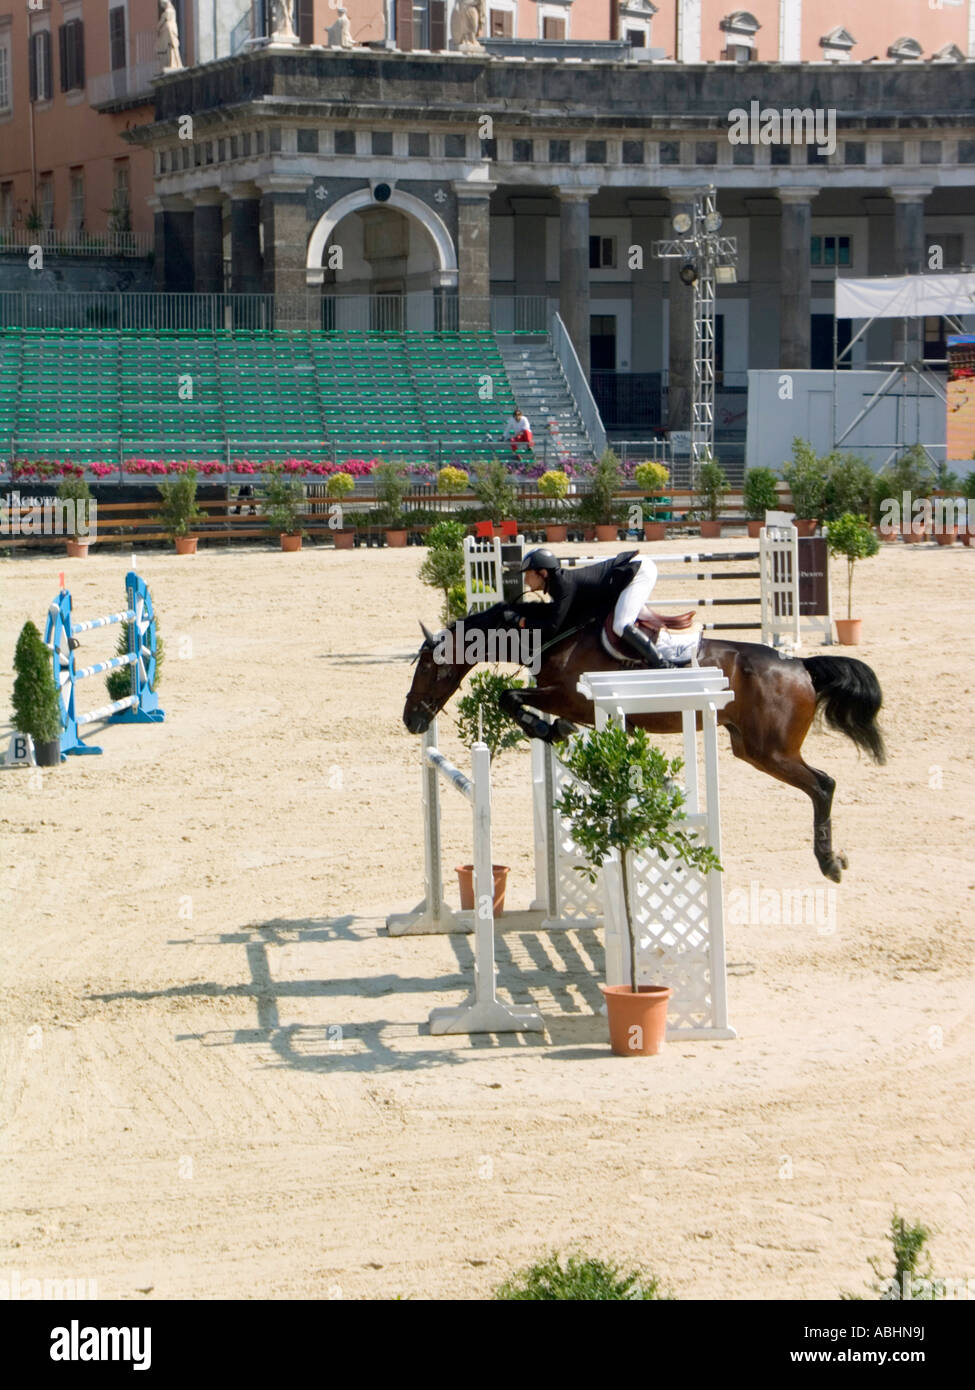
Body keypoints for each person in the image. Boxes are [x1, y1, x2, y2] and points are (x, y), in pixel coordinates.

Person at [505, 547, 675, 668]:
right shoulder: (558, 587)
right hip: (624, 575)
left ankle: (663, 665)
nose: (526, 580)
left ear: (542, 573)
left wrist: (521, 621)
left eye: (528, 574)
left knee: (621, 625)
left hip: (638, 571)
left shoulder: (563, 587)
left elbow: (551, 628)